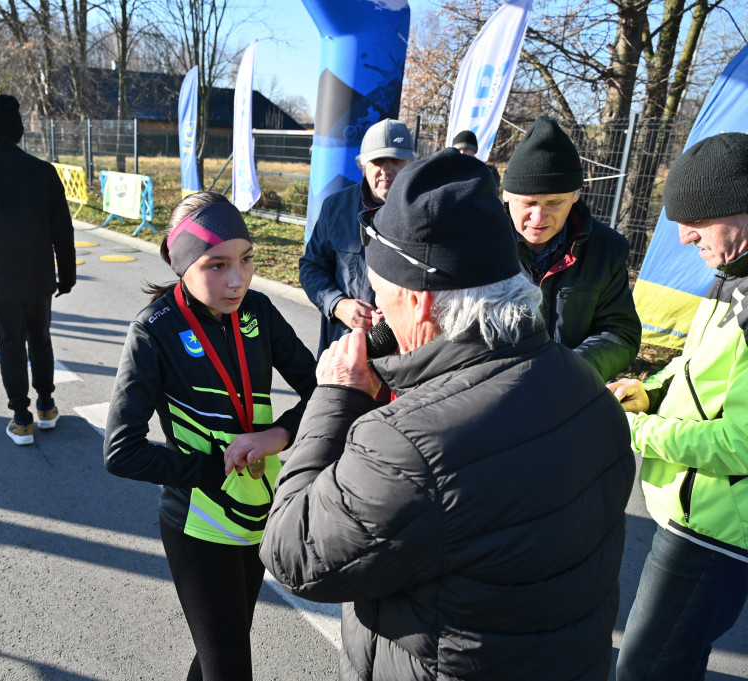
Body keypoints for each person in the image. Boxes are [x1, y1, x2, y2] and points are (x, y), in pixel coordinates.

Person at [260, 149, 635, 681]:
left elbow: (293, 554)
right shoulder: (586, 389)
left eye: (382, 295)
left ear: (420, 302)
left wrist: (337, 396)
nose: (378, 311)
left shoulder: (406, 445)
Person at [104, 192, 316, 681]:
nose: (237, 279)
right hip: (198, 524)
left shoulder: (257, 311)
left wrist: (278, 435)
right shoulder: (153, 332)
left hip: (257, 513)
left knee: (222, 649)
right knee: (229, 666)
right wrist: (207, 470)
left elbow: (322, 389)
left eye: (245, 260)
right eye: (216, 265)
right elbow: (121, 451)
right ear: (182, 265)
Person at [609, 132, 748, 681]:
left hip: (717, 529)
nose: (685, 235)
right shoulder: (733, 273)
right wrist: (652, 390)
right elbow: (698, 364)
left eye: (699, 218)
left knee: (645, 671)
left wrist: (635, 428)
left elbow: (739, 444)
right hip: (695, 515)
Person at [0, 94, 75, 445]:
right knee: (40, 339)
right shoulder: (43, 172)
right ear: (19, 131)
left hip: (0, 279)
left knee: (10, 345)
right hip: (39, 278)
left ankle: (21, 419)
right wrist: (66, 276)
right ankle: (47, 406)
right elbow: (63, 232)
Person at [501, 115, 640, 382]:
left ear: (576, 196)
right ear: (506, 195)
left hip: (570, 391)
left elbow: (620, 332)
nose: (538, 218)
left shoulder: (607, 249)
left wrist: (569, 370)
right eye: (528, 203)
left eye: (554, 203)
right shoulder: (476, 244)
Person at [299, 118, 415, 355]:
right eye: (377, 161)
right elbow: (311, 267)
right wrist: (337, 304)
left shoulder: (428, 212)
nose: (386, 169)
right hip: (345, 351)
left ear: (412, 163)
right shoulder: (335, 207)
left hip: (407, 357)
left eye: (396, 159)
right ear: (362, 166)